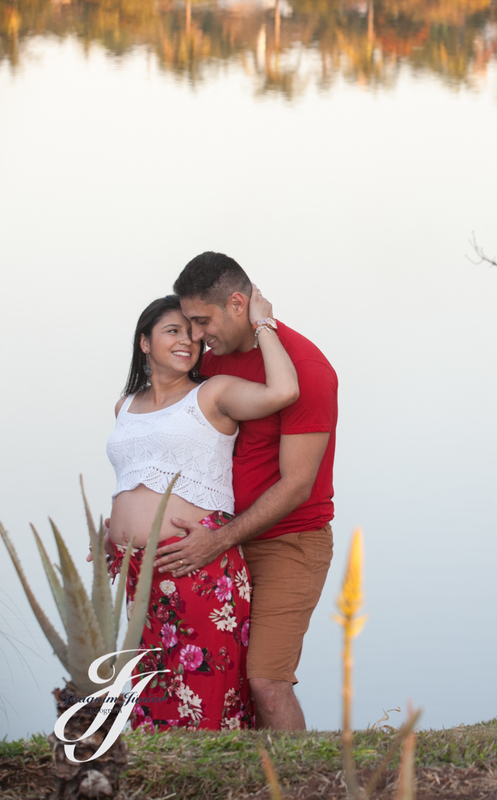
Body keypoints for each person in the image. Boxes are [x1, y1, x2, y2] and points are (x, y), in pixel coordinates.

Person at [154, 251, 338, 731]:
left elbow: (297, 485)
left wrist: (221, 537)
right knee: (222, 680)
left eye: (201, 321)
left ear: (238, 304)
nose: (195, 336)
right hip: (222, 543)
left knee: (267, 683)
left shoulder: (306, 366)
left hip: (288, 543)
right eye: (187, 324)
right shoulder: (209, 365)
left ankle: (302, 783)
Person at [105, 289, 299, 731]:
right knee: (148, 692)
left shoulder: (213, 394)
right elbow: (135, 476)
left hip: (196, 564)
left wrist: (263, 323)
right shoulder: (124, 406)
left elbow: (285, 390)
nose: (187, 342)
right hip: (139, 576)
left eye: (193, 335)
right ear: (143, 342)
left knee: (206, 692)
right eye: (172, 331)